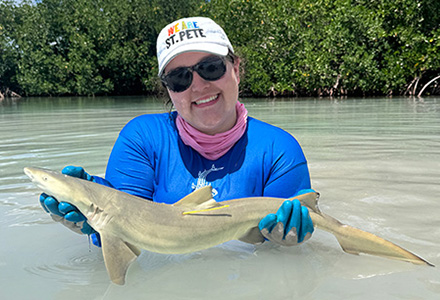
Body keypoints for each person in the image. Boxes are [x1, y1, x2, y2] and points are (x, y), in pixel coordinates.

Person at [39, 17, 314, 248]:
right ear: (168, 89)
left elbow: (281, 263)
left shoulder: (280, 151)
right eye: (180, 78)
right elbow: (127, 241)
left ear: (236, 69)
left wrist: (287, 245)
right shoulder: (142, 138)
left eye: (210, 67)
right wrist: (95, 213)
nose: (199, 86)